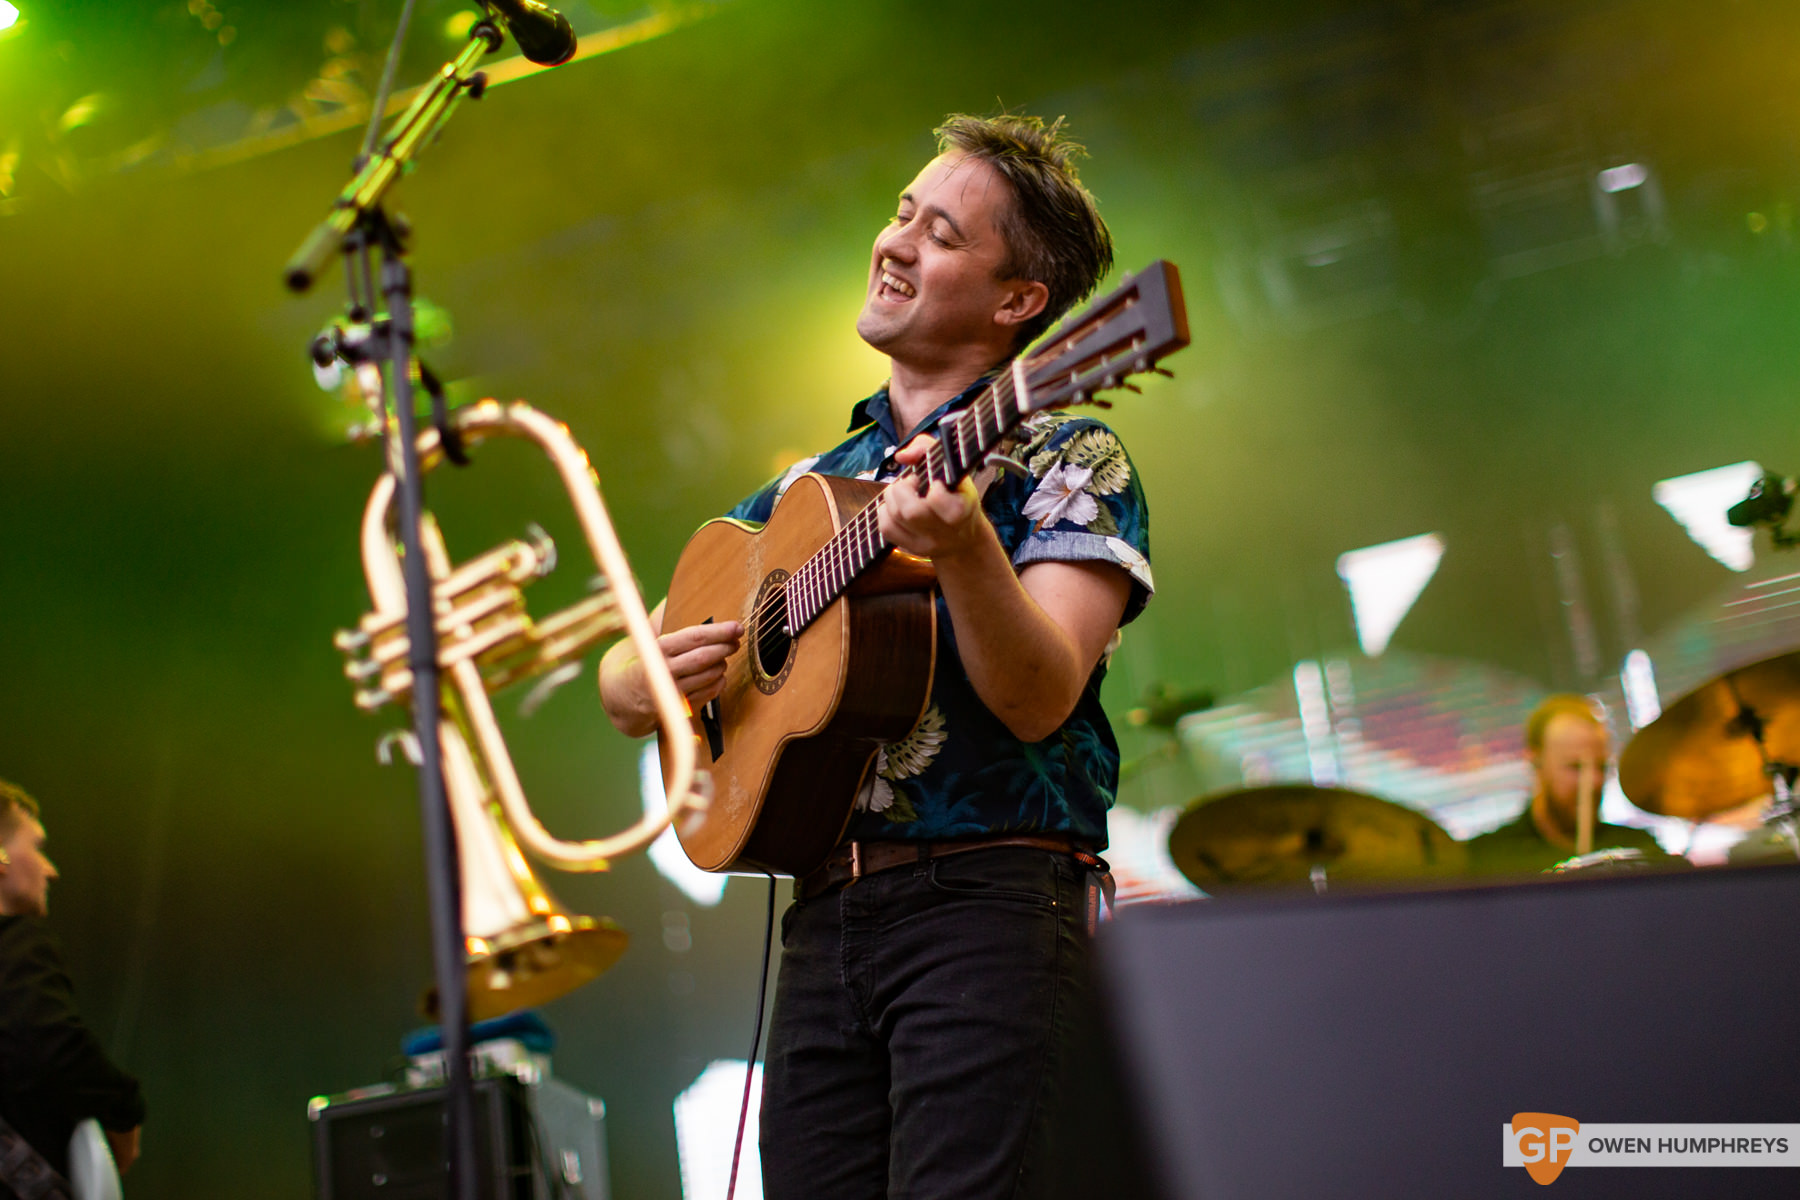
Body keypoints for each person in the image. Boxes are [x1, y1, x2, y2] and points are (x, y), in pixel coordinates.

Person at [600, 113, 1149, 1198]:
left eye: (941, 233)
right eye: (902, 214)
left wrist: (966, 549)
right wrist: (647, 676)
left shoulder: (1068, 451)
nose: (894, 243)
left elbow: (1041, 698)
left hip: (992, 907)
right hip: (825, 923)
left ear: (1019, 303)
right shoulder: (814, 485)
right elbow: (637, 670)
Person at [0, 780, 144, 1188]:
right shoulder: (14, 944)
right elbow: (53, 1047)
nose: (52, 870)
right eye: (38, 848)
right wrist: (125, 1111)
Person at [1465, 695, 1668, 875]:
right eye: (1575, 767)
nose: (1594, 782)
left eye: (1601, 767)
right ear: (1535, 763)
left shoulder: (1640, 849)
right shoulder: (1486, 862)